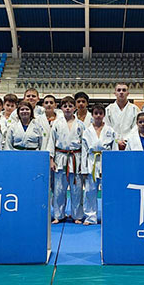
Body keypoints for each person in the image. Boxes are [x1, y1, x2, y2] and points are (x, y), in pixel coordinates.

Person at [49, 96, 85, 224]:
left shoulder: (80, 124)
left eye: (70, 106)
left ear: (74, 108)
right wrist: (51, 160)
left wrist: (84, 163)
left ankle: (77, 215)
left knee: (77, 189)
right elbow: (51, 141)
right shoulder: (56, 124)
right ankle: (58, 215)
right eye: (65, 106)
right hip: (60, 157)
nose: (68, 108)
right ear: (61, 108)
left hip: (76, 158)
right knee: (59, 189)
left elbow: (85, 145)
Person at [80, 104, 116, 225]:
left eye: (101, 113)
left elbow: (114, 149)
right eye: (96, 113)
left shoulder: (110, 130)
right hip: (92, 162)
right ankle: (90, 217)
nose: (98, 115)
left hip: (106, 161)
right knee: (90, 191)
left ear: (104, 115)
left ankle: (109, 216)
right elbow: (84, 151)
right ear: (92, 115)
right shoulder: (87, 131)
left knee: (108, 191)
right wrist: (84, 169)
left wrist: (113, 166)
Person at [105, 83, 139, 150]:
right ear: (115, 93)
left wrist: (126, 140)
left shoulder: (135, 109)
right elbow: (107, 127)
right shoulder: (108, 109)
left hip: (130, 143)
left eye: (124, 90)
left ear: (128, 93)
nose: (121, 92)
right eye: (119, 90)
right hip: (113, 143)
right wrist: (116, 141)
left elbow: (136, 127)